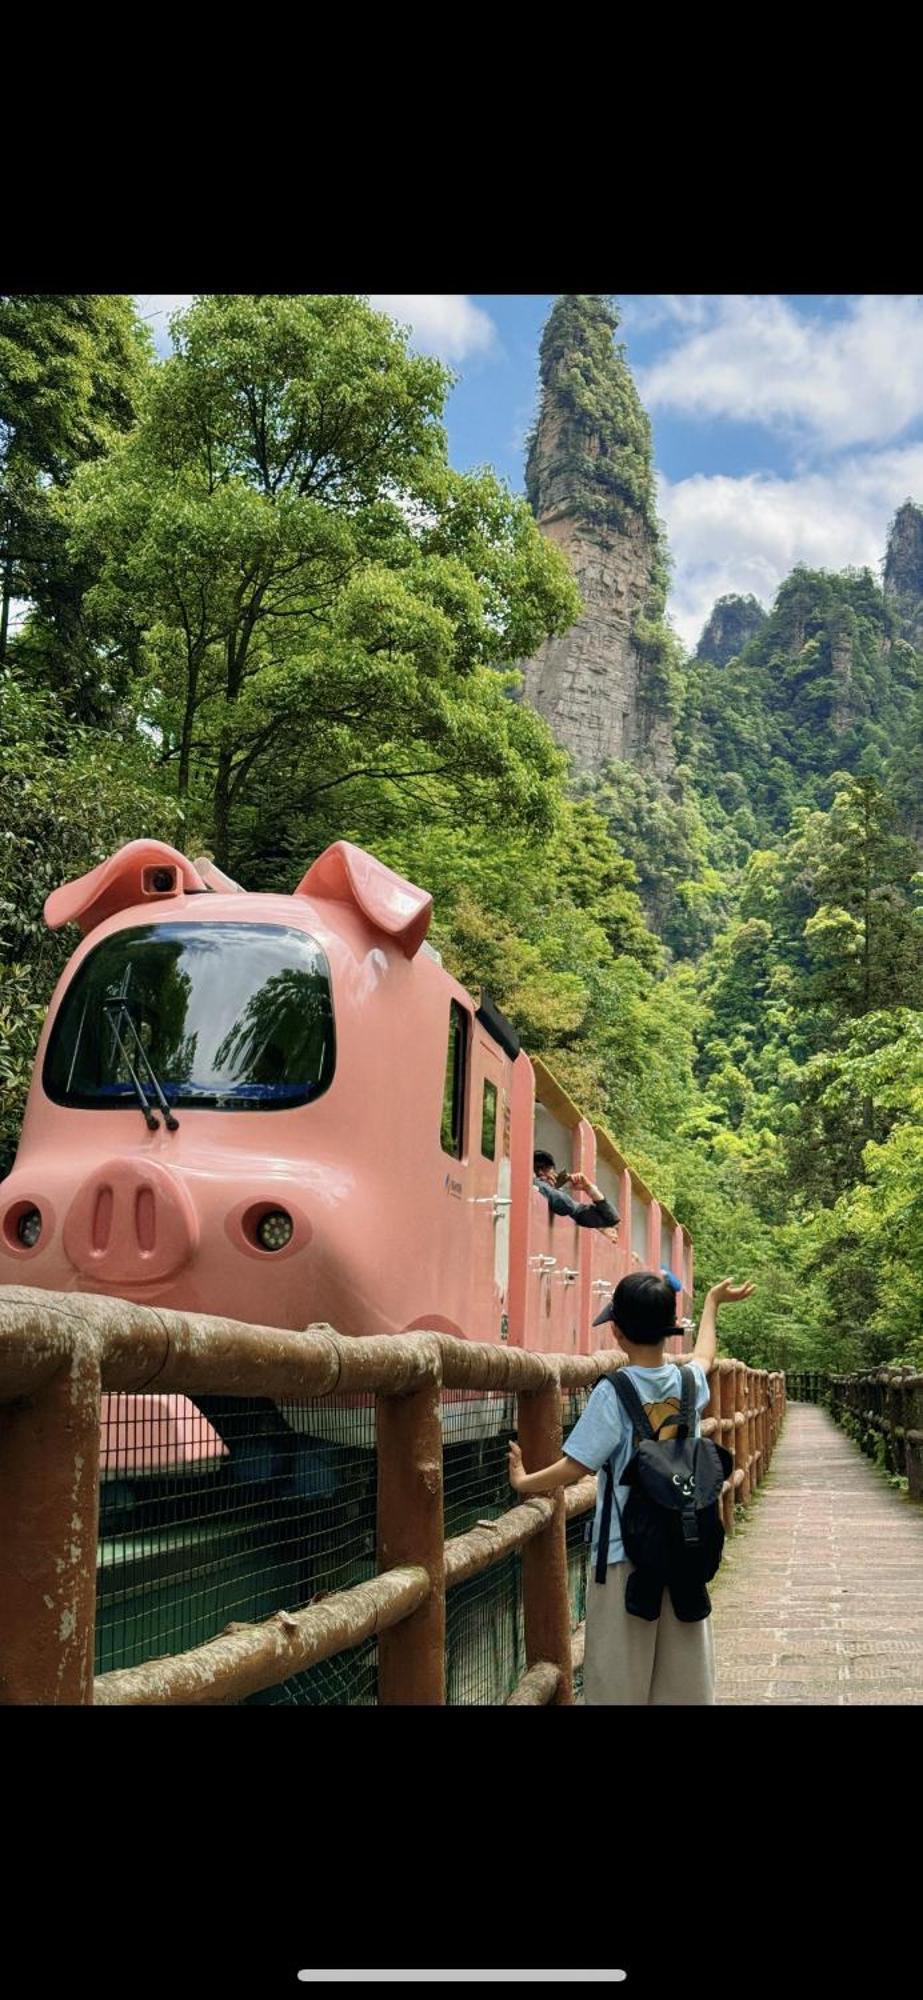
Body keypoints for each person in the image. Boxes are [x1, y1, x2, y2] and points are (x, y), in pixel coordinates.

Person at [507, 1269, 755, 1705]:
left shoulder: (613, 1392)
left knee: (618, 1685)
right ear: (668, 1332)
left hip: (625, 1555)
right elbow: (705, 1356)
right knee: (684, 1686)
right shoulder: (688, 1383)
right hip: (683, 1549)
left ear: (617, 1332)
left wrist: (525, 1480)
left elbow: (576, 1465)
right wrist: (713, 1304)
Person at [532, 1150, 619, 1231]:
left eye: (545, 1168)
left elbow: (610, 1219)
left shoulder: (559, 1195)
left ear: (555, 1172)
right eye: (535, 1168)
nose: (540, 1172)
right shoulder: (532, 1183)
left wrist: (589, 1188)